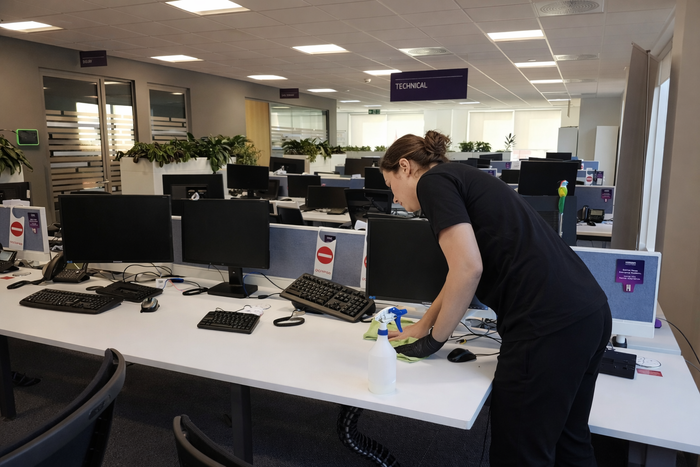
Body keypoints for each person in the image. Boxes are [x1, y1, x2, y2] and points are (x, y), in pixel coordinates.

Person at [381, 130, 611, 466]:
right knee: (568, 441)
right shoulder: (462, 176)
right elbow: (457, 271)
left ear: (405, 167)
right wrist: (423, 325)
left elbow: (469, 269)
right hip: (588, 314)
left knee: (519, 453)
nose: (395, 199)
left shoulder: (433, 183)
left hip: (546, 327)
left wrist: (435, 342)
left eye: (391, 187)